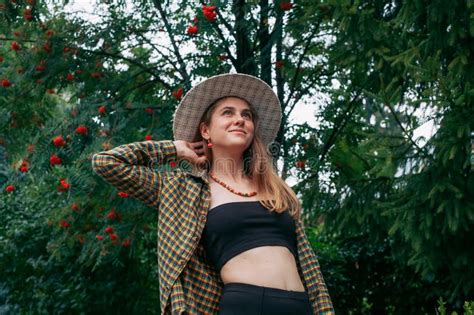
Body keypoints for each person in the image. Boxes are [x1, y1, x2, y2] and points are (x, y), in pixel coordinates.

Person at [91, 73, 334, 314]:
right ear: (205, 130)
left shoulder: (275, 189)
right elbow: (107, 163)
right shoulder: (182, 189)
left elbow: (309, 265)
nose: (239, 119)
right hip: (245, 305)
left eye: (246, 115)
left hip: (300, 306)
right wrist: (174, 149)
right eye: (228, 112)